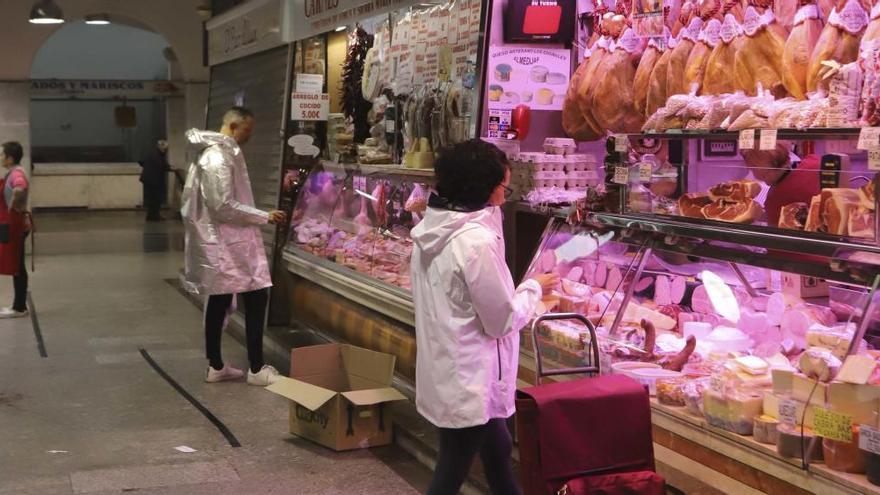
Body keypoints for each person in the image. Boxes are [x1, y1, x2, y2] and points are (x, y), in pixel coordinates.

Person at [409, 139, 558, 495]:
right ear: (486, 189)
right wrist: (533, 289)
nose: (505, 198)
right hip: (469, 380)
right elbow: (501, 320)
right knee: (450, 473)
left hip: (452, 370)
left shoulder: (431, 229)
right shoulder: (475, 242)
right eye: (504, 188)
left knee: (498, 449)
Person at [181, 107, 286, 386]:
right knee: (255, 295)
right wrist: (264, 215)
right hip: (228, 244)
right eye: (247, 130)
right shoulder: (218, 158)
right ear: (235, 125)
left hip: (227, 242)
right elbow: (222, 206)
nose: (249, 136)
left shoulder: (222, 153)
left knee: (219, 300)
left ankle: (216, 366)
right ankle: (256, 368)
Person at [740, 142, 820, 228]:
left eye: (752, 170)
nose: (754, 175)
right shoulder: (813, 160)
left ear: (763, 171)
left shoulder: (774, 200)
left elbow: (777, 236)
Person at [0, 142, 30, 318]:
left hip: (16, 224)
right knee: (17, 265)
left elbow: (20, 187)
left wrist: (13, 206)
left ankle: (19, 308)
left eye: (2, 155)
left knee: (18, 267)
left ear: (10, 158)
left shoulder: (17, 173)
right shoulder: (12, 171)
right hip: (15, 224)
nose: (0, 158)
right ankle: (18, 304)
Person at [139, 139, 171, 221]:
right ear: (162, 148)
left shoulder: (152, 153)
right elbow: (162, 166)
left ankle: (151, 216)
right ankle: (155, 216)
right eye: (165, 149)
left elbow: (141, 161)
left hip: (148, 179)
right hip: (154, 180)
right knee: (156, 199)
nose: (166, 151)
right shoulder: (158, 155)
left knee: (151, 199)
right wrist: (168, 167)